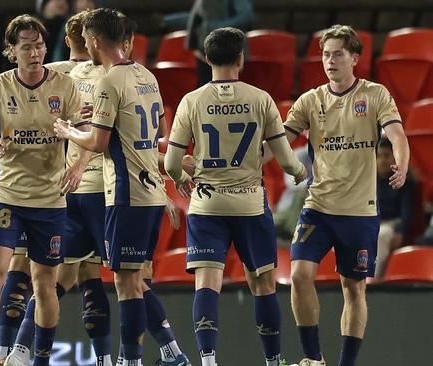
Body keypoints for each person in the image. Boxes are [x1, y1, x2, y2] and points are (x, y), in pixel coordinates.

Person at [54, 8, 191, 366]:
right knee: (132, 279)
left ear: (96, 41)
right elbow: (159, 133)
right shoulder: (147, 75)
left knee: (126, 283)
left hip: (125, 191)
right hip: (148, 190)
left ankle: (131, 360)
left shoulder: (109, 82)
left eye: (86, 40)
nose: (85, 45)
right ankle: (171, 352)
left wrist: (69, 132)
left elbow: (99, 142)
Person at [164, 27, 306, 366]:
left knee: (207, 283)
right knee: (263, 283)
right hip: (249, 204)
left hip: (207, 204)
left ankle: (209, 359)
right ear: (241, 58)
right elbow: (286, 159)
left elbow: (170, 162)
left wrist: (182, 177)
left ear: (207, 59)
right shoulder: (260, 99)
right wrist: (301, 174)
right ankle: (273, 361)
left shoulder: (191, 101)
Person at [276, 25, 409, 366]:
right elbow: (278, 144)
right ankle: (313, 358)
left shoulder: (374, 94)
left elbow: (396, 134)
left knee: (353, 288)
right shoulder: (311, 100)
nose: (329, 61)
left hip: (360, 213)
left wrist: (402, 164)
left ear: (355, 58)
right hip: (317, 208)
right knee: (300, 275)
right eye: (325, 54)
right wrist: (246, 164)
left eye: (337, 54)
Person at [0, 14, 83, 366]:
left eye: (40, 45)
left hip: (50, 200)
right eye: (26, 46)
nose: (35, 52)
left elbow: (88, 133)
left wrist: (76, 162)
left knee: (45, 284)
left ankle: (38, 359)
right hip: (9, 196)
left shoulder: (64, 86)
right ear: (11, 51)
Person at [186, 0, 254, 87]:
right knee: (206, 88)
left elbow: (246, 16)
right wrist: (193, 44)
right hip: (204, 52)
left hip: (229, 49)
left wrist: (217, 26)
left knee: (231, 87)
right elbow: (196, 17)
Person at [374, 137, 415, 278]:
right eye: (379, 156)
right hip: (372, 221)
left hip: (392, 222)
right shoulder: (369, 181)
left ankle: (374, 279)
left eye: (386, 155)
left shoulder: (404, 181)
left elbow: (406, 211)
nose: (382, 160)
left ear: (394, 157)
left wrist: (400, 231)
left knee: (381, 235)